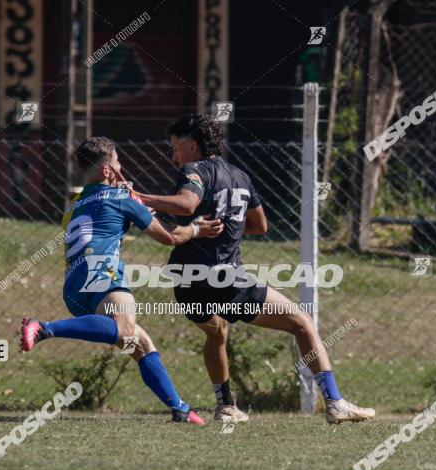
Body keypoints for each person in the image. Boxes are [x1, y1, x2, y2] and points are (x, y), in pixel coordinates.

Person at [131, 114, 375, 424]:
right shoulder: (240, 176)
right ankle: (335, 401)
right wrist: (229, 223)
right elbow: (258, 225)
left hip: (186, 279)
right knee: (301, 323)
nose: (173, 155)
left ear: (193, 146)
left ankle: (226, 406)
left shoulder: (193, 170)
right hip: (224, 276)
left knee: (217, 332)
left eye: (175, 147)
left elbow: (187, 204)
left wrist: (142, 198)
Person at [21, 136, 223, 425]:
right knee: (124, 327)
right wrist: (195, 229)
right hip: (102, 273)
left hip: (73, 285)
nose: (121, 167)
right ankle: (43, 328)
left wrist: (134, 207)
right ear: (107, 170)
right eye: (117, 162)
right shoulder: (120, 198)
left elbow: (101, 219)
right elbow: (169, 238)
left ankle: (180, 409)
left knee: (140, 344)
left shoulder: (74, 204)